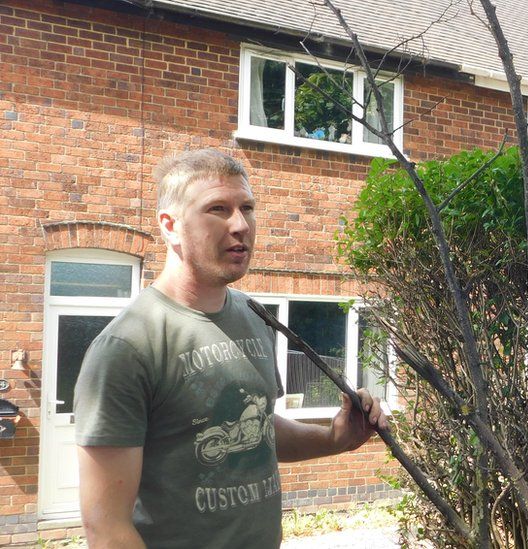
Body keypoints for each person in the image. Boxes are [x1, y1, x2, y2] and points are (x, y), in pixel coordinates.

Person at [73, 149, 388, 549]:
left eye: (247, 208)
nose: (240, 225)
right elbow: (107, 530)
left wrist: (334, 438)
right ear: (170, 226)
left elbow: (260, 431)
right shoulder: (127, 347)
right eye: (218, 209)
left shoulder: (253, 316)